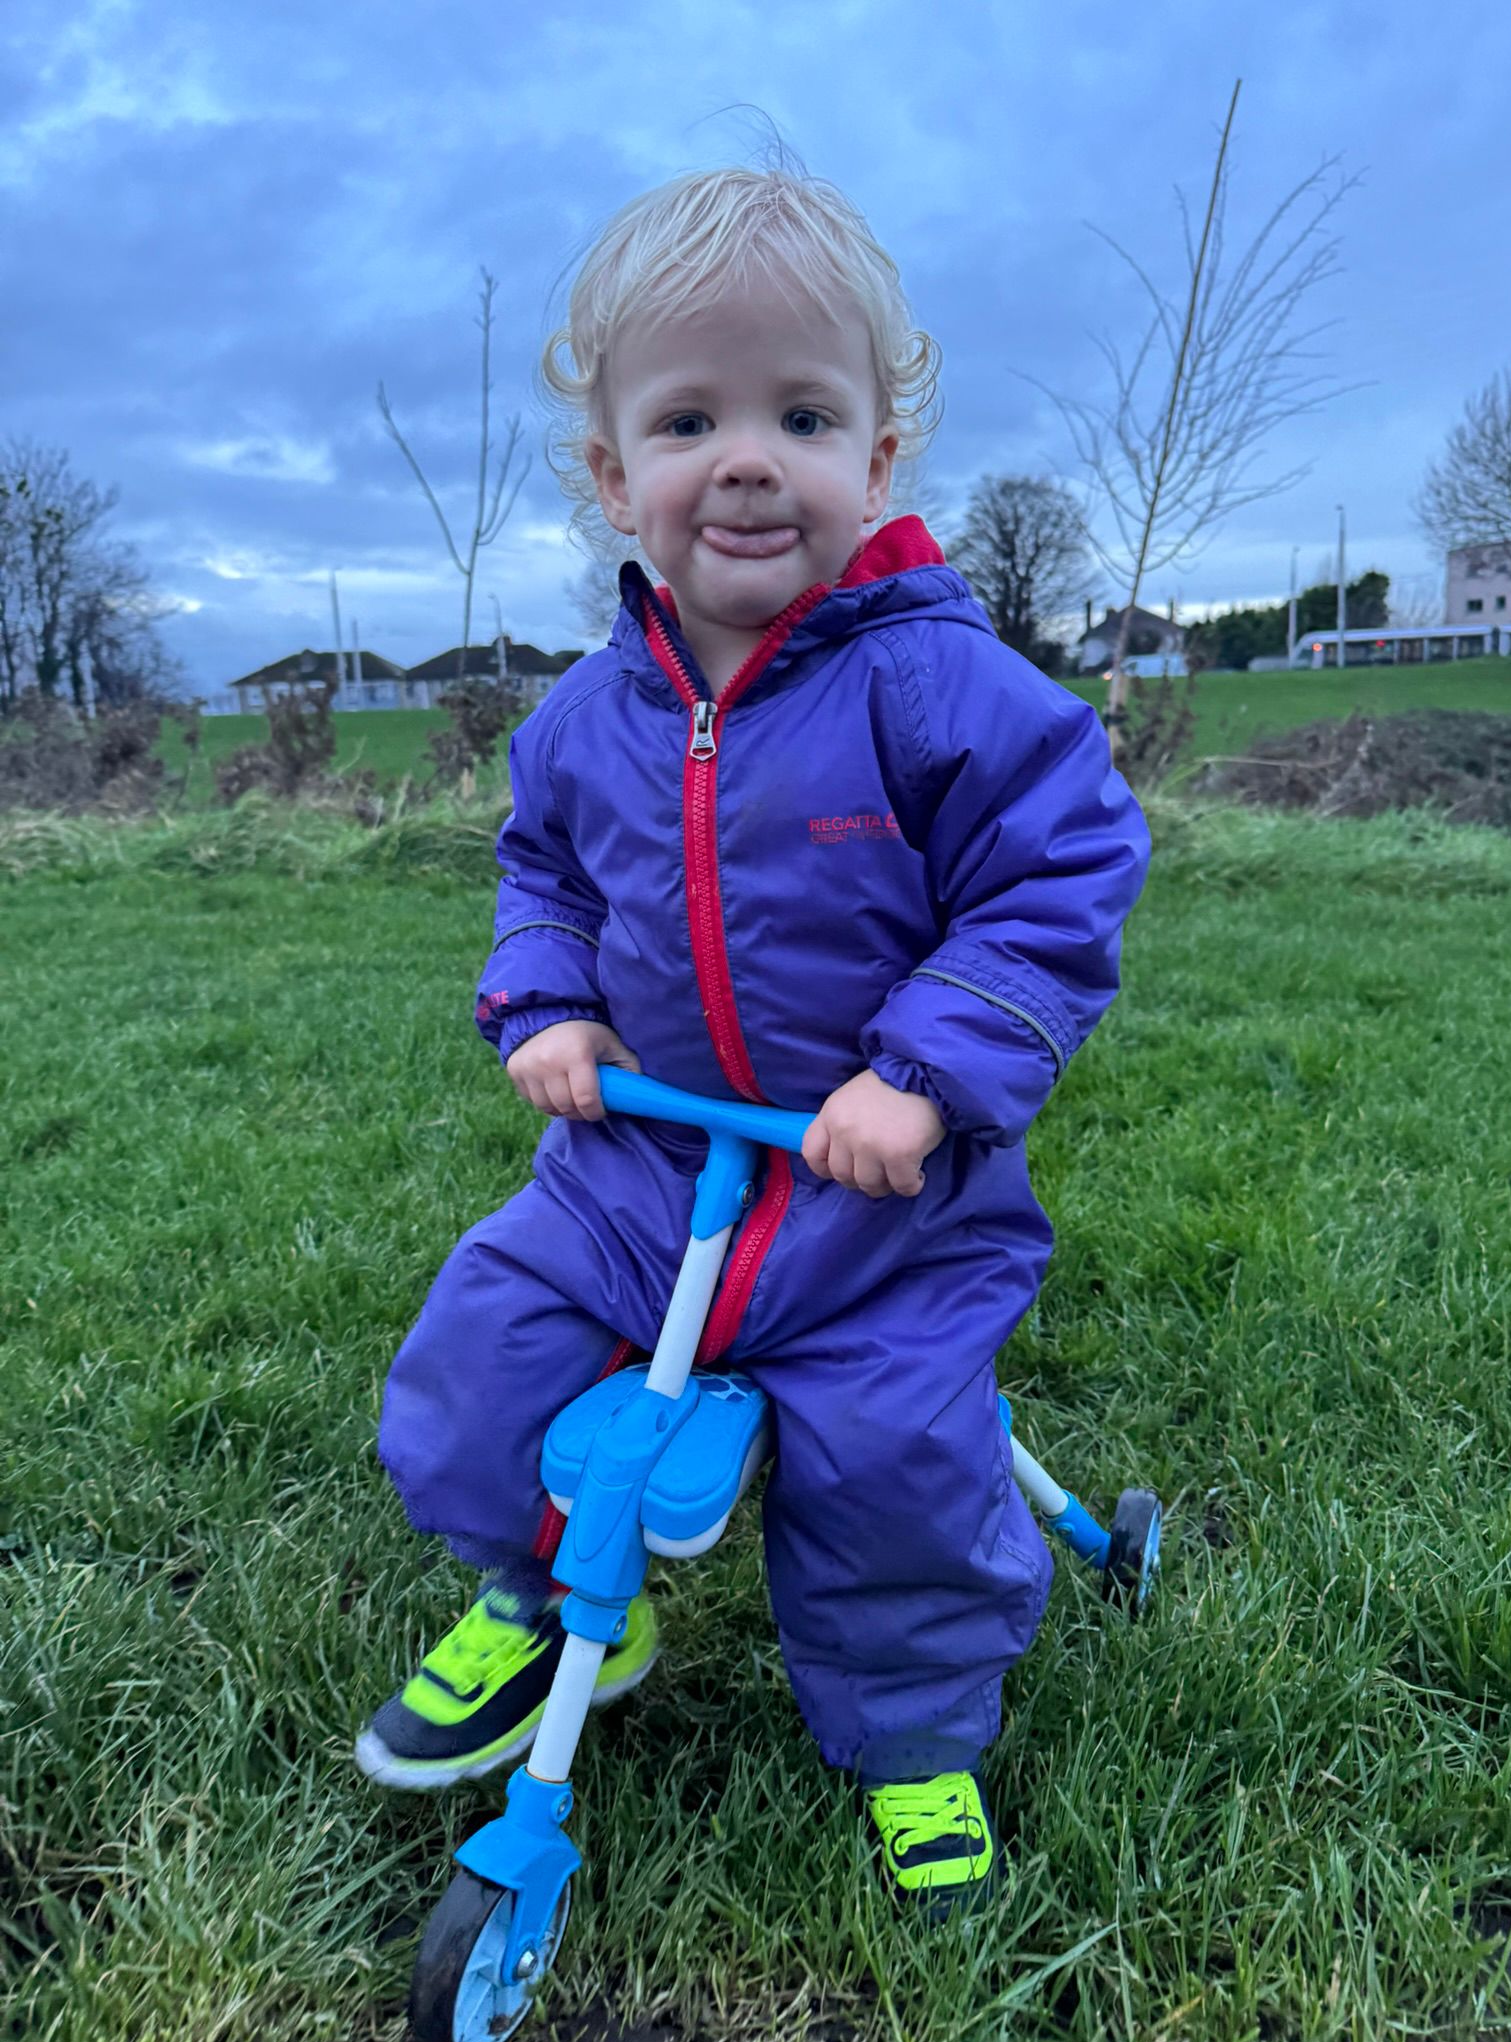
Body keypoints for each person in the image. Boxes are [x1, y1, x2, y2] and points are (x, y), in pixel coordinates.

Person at [359, 162, 1149, 1919]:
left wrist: (929, 1071)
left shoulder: (941, 685)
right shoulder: (584, 718)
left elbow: (1063, 867)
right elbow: (546, 873)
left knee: (898, 1477)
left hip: (878, 1203)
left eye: (802, 413)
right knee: (483, 1352)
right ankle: (561, 1588)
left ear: (876, 465)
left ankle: (915, 1737)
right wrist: (548, 1002)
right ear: (610, 474)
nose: (745, 456)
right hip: (640, 1172)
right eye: (689, 416)